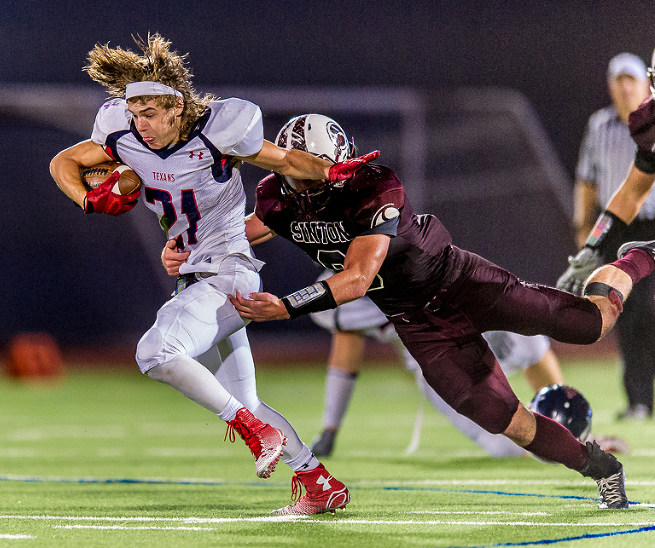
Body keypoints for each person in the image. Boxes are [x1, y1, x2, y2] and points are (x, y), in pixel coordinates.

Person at [222, 112, 655, 510]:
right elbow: (251, 228)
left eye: (311, 174)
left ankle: (638, 257)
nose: (302, 186)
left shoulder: (373, 185)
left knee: (588, 325)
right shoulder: (276, 196)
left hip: (460, 282)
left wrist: (284, 307)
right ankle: (600, 468)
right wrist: (190, 248)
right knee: (498, 416)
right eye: (293, 173)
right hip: (417, 322)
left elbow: (357, 278)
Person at [48, 34, 374, 516]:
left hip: (230, 273)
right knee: (246, 399)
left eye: (152, 114)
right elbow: (64, 162)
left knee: (156, 352)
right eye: (135, 114)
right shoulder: (122, 137)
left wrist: (331, 174)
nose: (143, 125)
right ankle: (318, 481)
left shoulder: (218, 132)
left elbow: (284, 160)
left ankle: (251, 431)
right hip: (197, 275)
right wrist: (88, 199)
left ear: (177, 107)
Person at [307, 285, 629, 458]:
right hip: (438, 361)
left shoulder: (409, 242)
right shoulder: (345, 280)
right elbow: (346, 348)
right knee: (508, 445)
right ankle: (554, 439)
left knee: (524, 328)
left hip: (476, 323)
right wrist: (330, 430)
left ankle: (565, 428)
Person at [558, 52, 655, 421]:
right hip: (633, 234)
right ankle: (640, 400)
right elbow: (629, 194)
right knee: (628, 307)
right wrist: (593, 243)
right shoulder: (644, 126)